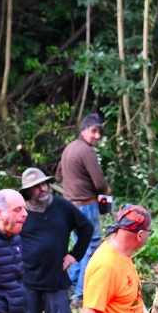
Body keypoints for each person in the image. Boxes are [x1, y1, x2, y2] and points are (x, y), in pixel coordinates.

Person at [17, 166, 92, 313]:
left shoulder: (61, 207)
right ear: (27, 192)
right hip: (28, 281)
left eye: (43, 184)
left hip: (56, 281)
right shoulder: (21, 212)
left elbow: (86, 228)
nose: (42, 189)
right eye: (35, 187)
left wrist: (73, 256)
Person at [59, 112, 111, 298]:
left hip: (69, 204)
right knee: (91, 245)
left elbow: (58, 175)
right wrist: (106, 191)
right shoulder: (86, 151)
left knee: (79, 245)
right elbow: (99, 183)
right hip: (85, 204)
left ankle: (71, 283)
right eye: (93, 131)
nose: (97, 136)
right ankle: (81, 291)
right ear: (83, 130)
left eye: (99, 132)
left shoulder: (69, 148)